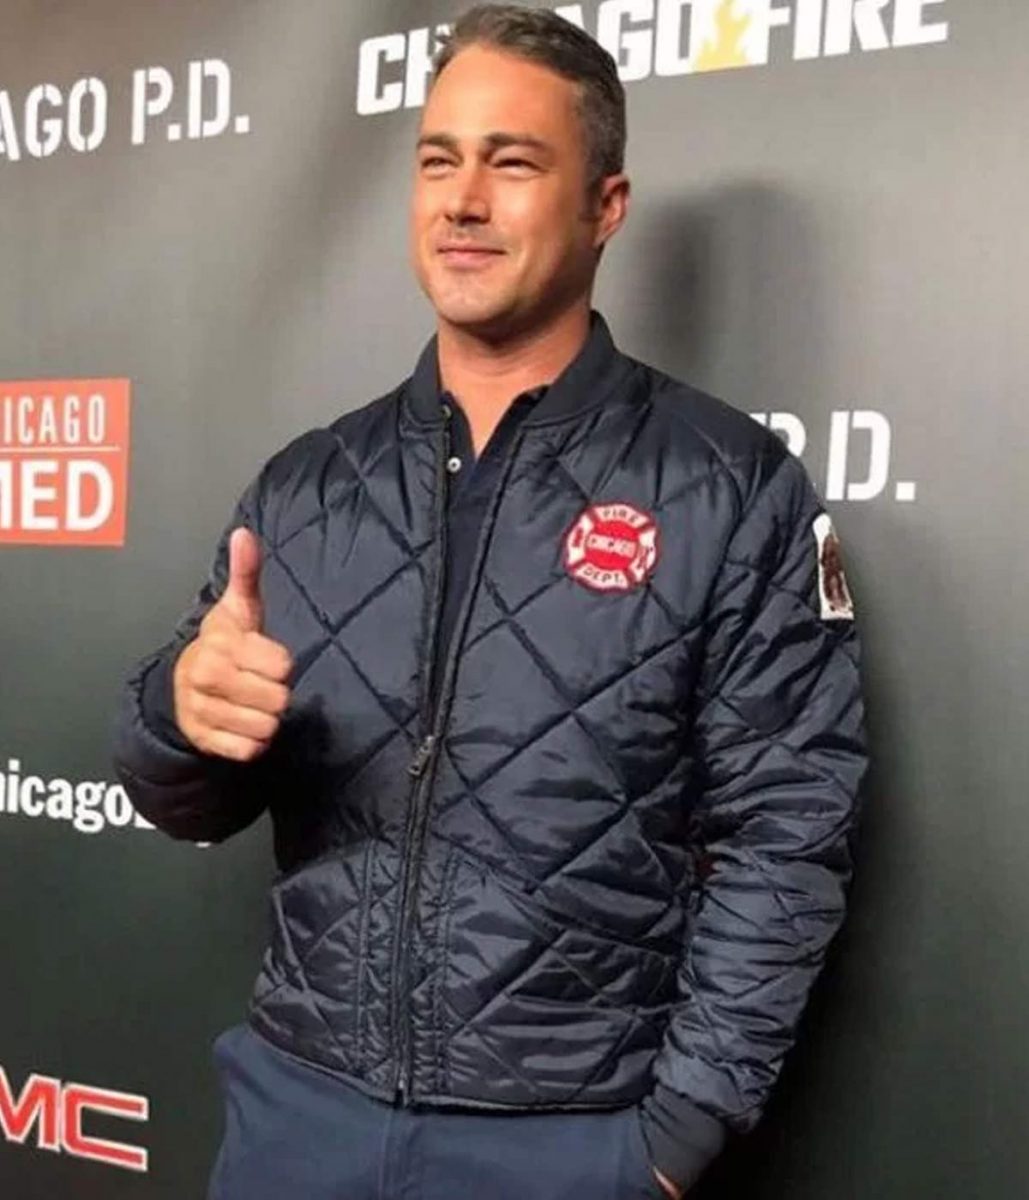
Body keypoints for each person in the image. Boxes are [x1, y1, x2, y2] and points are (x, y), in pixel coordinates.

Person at [113, 6, 867, 1198]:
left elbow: (788, 833)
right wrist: (179, 714)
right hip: (297, 1122)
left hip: (567, 1143)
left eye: (512, 163)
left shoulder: (729, 487)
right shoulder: (309, 485)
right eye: (438, 161)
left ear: (605, 206)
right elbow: (180, 794)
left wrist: (675, 1138)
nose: (463, 201)